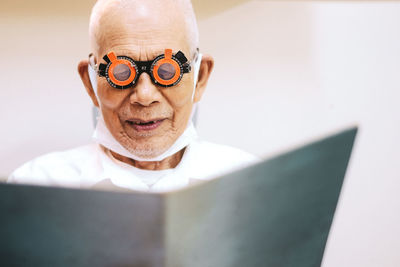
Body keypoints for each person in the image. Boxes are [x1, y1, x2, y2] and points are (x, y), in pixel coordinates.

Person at [8, 0, 259, 192]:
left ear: (200, 77)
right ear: (90, 82)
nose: (145, 96)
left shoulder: (253, 183)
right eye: (121, 72)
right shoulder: (37, 186)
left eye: (167, 70)